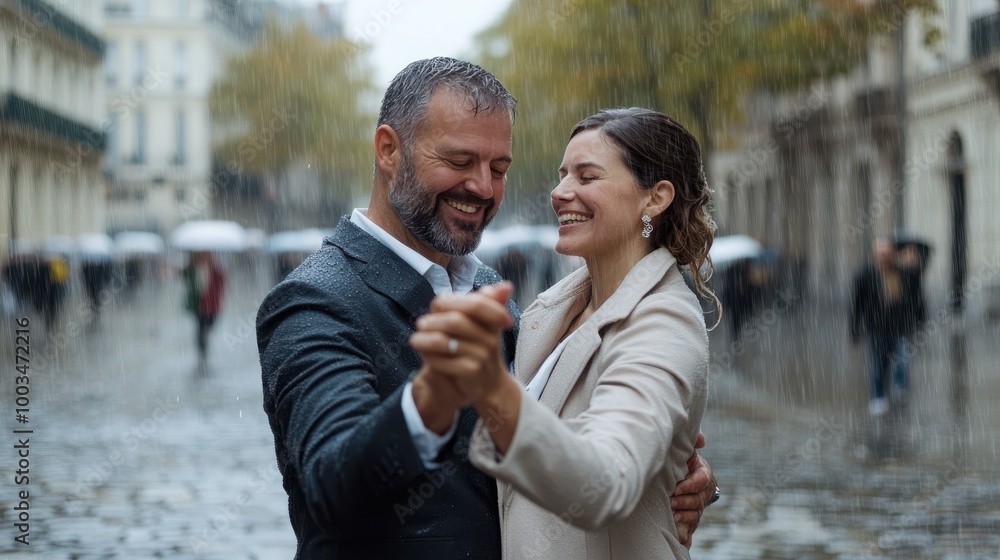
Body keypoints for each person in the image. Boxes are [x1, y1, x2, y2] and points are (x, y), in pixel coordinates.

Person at [255, 58, 717, 559]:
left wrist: (672, 473)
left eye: (499, 169)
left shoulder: (494, 291)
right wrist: (427, 400)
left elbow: (575, 443)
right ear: (389, 150)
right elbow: (330, 488)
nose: (482, 187)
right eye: (458, 162)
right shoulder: (315, 298)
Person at [410, 107, 716, 559]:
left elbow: (606, 481)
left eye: (586, 177)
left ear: (655, 199)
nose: (559, 192)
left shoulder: (663, 321)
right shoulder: (551, 309)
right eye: (562, 175)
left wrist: (492, 388)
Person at [850, 238, 921, 415]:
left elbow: (915, 293)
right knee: (879, 364)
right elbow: (856, 306)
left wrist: (914, 266)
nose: (883, 256)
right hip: (877, 328)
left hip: (900, 326)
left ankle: (899, 387)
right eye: (880, 253)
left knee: (903, 359)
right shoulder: (864, 275)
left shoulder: (900, 272)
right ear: (873, 254)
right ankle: (877, 397)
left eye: (886, 253)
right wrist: (854, 330)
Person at [184, 251, 226, 363]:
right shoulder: (193, 269)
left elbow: (222, 285)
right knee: (200, 328)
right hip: (199, 306)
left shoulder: (216, 270)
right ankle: (202, 350)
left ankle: (203, 343)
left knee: (209, 325)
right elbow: (186, 279)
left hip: (212, 305)